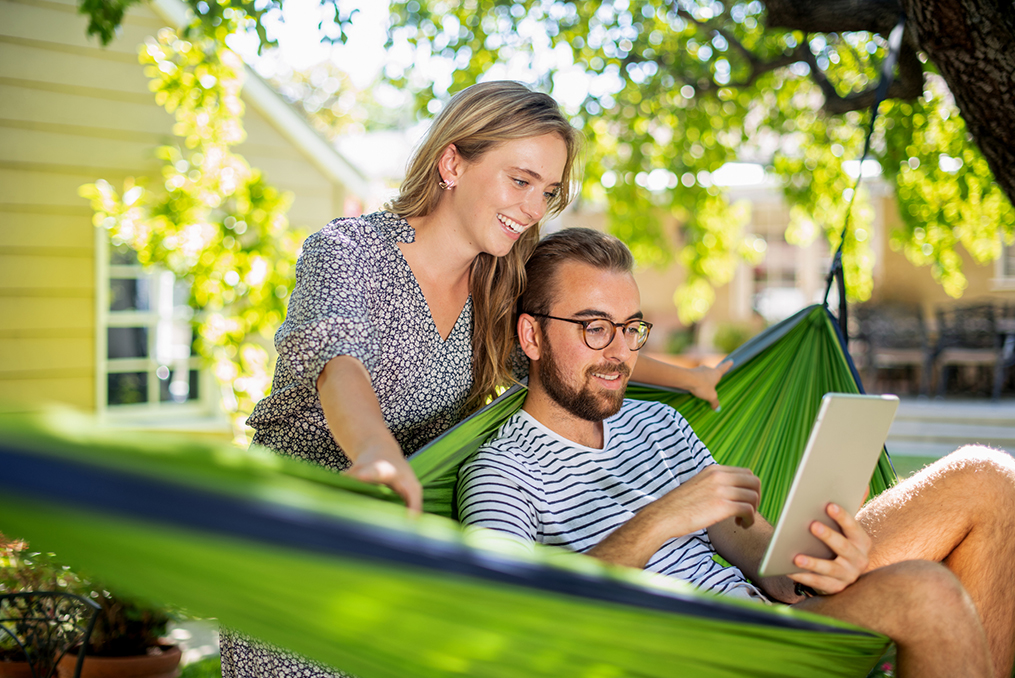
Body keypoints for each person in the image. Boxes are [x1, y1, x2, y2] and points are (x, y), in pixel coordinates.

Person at [225, 82, 728, 677]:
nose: (535, 209)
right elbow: (339, 366)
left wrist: (689, 378)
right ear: (452, 162)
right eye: (521, 181)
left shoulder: (497, 292)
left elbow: (575, 343)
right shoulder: (348, 251)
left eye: (549, 191)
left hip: (404, 554)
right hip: (297, 542)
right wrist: (377, 453)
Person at [457, 227, 1015, 678]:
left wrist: (810, 561)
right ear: (530, 337)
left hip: (773, 618)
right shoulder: (502, 473)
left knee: (987, 477)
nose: (620, 354)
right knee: (925, 592)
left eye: (631, 329)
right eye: (595, 329)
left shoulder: (658, 421)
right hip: (705, 654)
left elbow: (752, 547)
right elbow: (512, 622)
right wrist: (662, 518)